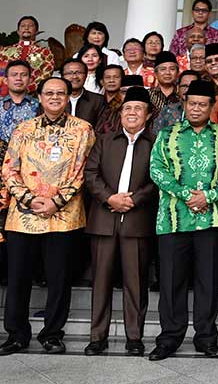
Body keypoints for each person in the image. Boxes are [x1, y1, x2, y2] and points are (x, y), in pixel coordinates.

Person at [0, 76, 95, 357]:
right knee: (18, 278)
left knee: (59, 279)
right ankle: (16, 334)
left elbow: (84, 171)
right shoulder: (23, 129)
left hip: (63, 216)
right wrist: (28, 198)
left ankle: (52, 334)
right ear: (39, 97)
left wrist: (57, 201)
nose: (55, 97)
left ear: (68, 97)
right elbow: (8, 169)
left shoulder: (83, 129)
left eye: (61, 93)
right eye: (49, 93)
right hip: (23, 217)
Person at [147, 79, 218, 361]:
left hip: (211, 220)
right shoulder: (167, 134)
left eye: (202, 104)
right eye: (192, 103)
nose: (196, 108)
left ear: (211, 107)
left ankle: (206, 337)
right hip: (173, 219)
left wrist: (207, 196)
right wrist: (186, 194)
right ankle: (169, 338)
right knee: (171, 282)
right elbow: (156, 170)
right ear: (185, 104)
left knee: (208, 281)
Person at [83, 86, 156, 357]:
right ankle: (97, 337)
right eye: (127, 108)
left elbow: (157, 178)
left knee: (135, 282)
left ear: (147, 115)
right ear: (121, 113)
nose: (132, 112)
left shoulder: (155, 143)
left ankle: (134, 337)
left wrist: (135, 199)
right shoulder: (104, 140)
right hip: (104, 219)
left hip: (137, 221)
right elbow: (90, 173)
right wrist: (109, 198)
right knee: (100, 281)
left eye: (138, 108)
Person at [0, 15, 55, 94]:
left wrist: (27, 89)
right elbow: (1, 74)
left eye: (30, 26)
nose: (26, 28)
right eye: (23, 26)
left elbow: (46, 74)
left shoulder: (45, 52)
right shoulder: (5, 52)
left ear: (36, 31)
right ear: (18, 31)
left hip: (34, 96)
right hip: (7, 95)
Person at [0, 61, 39, 143]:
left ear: (30, 80)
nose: (18, 78)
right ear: (6, 80)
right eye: (14, 75)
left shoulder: (39, 106)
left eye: (23, 75)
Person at [63, 58, 105, 127]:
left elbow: (103, 129)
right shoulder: (53, 100)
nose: (74, 76)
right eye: (70, 73)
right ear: (62, 77)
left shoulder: (98, 101)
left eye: (79, 72)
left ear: (85, 76)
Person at [148, 51, 180, 118]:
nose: (167, 72)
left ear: (177, 73)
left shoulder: (181, 94)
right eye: (163, 69)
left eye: (172, 69)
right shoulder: (148, 94)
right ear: (156, 74)